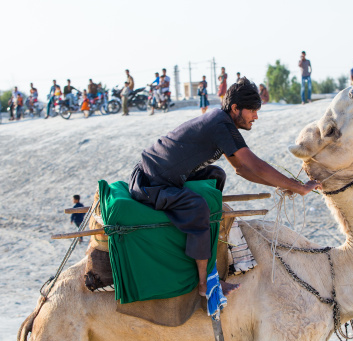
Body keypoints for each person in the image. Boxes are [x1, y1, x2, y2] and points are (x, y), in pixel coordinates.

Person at [128, 77, 322, 296]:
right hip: (151, 181)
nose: (256, 116)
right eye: (252, 111)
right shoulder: (221, 125)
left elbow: (242, 170)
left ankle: (206, 233)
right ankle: (205, 283)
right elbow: (254, 165)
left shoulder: (222, 122)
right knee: (198, 206)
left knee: (216, 174)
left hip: (166, 175)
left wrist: (283, 185)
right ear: (235, 108)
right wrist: (297, 187)